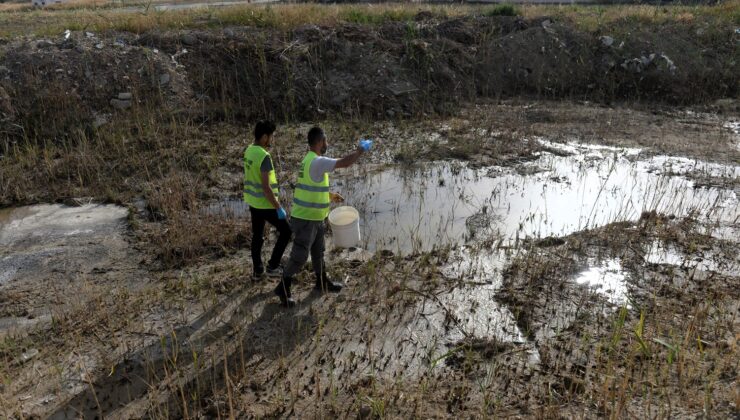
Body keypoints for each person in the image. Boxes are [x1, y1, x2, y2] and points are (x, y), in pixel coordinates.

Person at [274, 126, 373, 307]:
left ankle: (321, 282)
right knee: (300, 255)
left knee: (318, 252)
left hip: (316, 217)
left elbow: (310, 187)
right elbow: (344, 162)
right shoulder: (317, 161)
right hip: (306, 219)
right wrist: (360, 150)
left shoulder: (308, 160)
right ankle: (283, 285)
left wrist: (329, 196)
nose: (327, 144)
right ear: (319, 142)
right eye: (325, 140)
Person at [243, 120, 292, 281]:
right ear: (264, 137)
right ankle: (273, 266)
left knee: (257, 236)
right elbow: (266, 187)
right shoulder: (264, 156)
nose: (272, 140)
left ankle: (258, 271)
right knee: (286, 231)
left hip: (253, 202)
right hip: (265, 204)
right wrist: (278, 207)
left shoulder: (249, 150)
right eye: (271, 136)